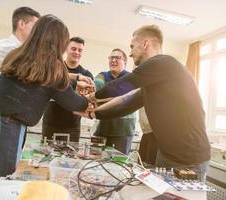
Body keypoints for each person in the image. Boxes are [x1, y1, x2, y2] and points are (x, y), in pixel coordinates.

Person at [0, 15, 89, 200]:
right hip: (7, 132)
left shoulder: (19, 55)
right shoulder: (53, 68)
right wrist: (89, 103)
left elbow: (39, 83)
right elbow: (72, 102)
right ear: (59, 42)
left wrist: (73, 80)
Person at [80, 25, 211, 181]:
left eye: (132, 46)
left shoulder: (164, 63)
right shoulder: (154, 81)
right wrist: (94, 113)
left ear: (145, 44)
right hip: (166, 154)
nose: (130, 52)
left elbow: (121, 86)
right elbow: (126, 103)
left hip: (190, 158)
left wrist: (90, 98)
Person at [42, 37, 94, 142]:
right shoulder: (56, 67)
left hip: (73, 126)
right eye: (73, 49)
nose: (77, 52)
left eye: (80, 50)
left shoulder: (87, 75)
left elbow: (87, 99)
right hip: (50, 123)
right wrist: (76, 84)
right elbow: (53, 77)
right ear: (66, 49)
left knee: (71, 157)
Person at [93, 48, 136, 154]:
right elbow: (95, 86)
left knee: (118, 165)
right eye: (111, 57)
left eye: (117, 57)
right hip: (103, 129)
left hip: (123, 131)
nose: (113, 60)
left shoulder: (131, 77)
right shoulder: (102, 75)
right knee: (94, 162)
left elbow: (123, 97)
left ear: (125, 61)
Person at [0, 7, 40, 87]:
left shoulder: (21, 49)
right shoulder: (5, 47)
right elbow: (34, 71)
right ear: (21, 24)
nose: (37, 32)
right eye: (35, 27)